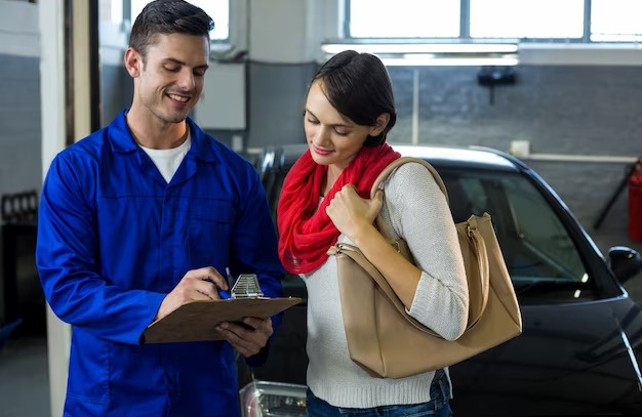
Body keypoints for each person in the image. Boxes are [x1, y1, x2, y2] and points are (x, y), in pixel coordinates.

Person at [35, 1, 284, 416]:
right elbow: (67, 287)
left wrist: (260, 328)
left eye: (199, 70)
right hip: (112, 398)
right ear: (134, 62)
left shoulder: (234, 175)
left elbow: (259, 277)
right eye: (172, 67)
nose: (188, 83)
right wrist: (159, 307)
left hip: (205, 396)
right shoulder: (78, 171)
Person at [277, 50, 469, 417]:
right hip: (324, 395)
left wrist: (363, 234)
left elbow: (452, 317)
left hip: (405, 403)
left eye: (340, 129)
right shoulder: (304, 185)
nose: (320, 138)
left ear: (377, 124)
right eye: (312, 119)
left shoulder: (405, 183)